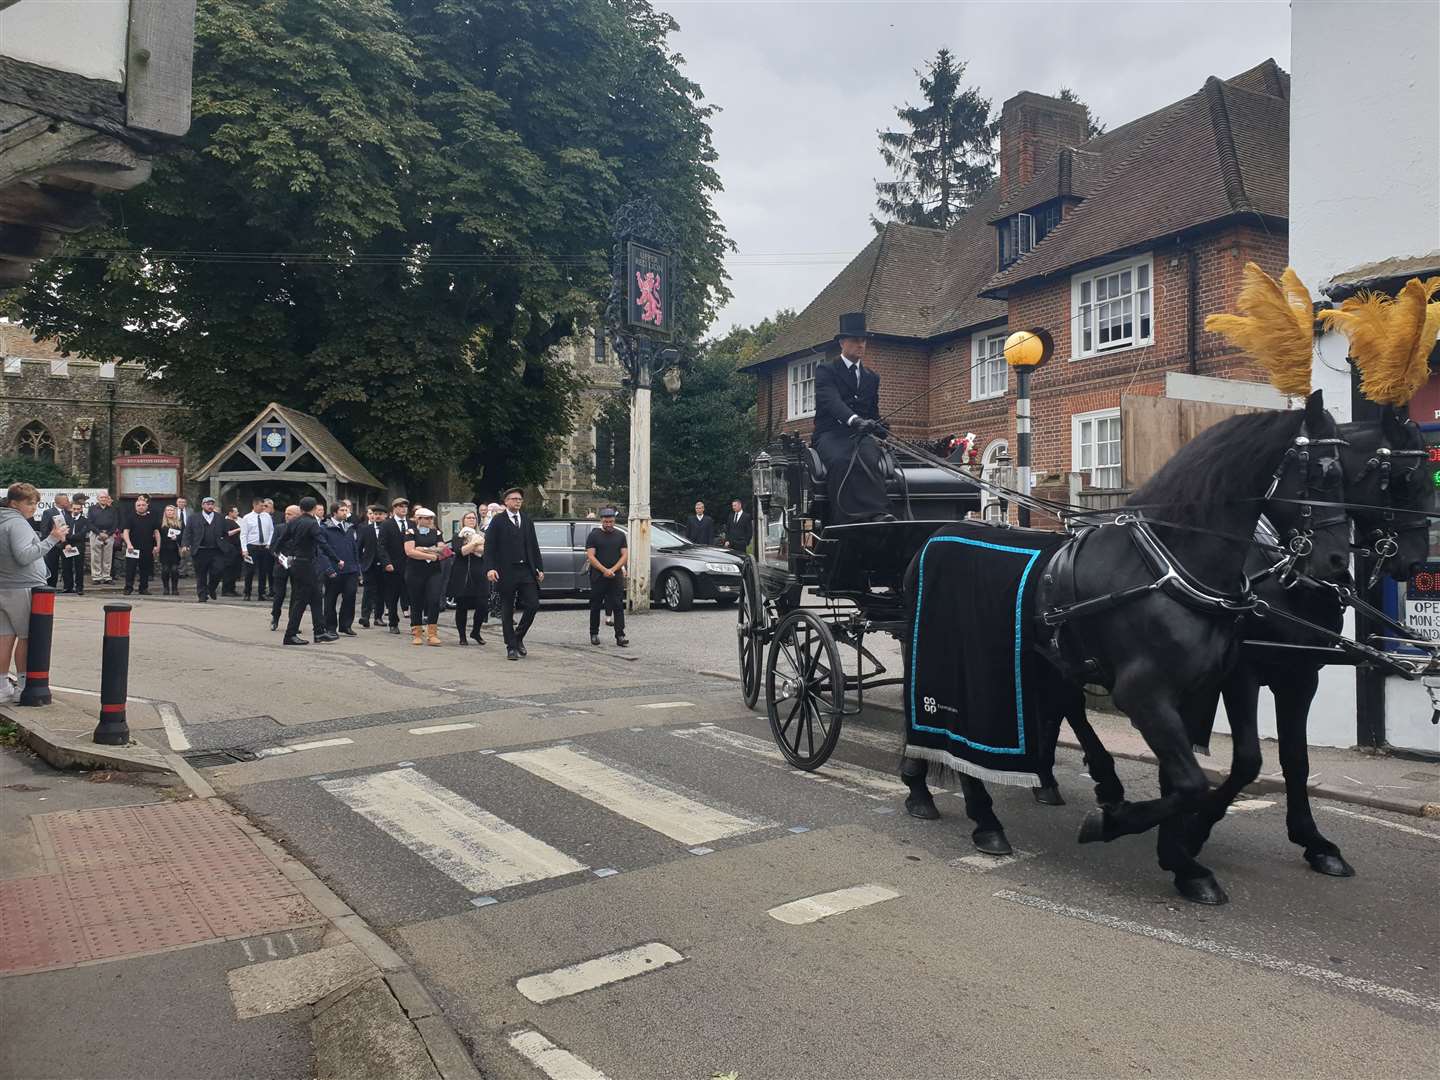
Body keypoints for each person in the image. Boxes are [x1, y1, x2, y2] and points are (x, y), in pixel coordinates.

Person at [811, 311, 892, 523]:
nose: (861, 345)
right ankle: (844, 519)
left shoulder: (872, 377)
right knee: (841, 460)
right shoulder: (826, 371)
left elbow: (873, 412)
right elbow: (832, 402)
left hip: (860, 436)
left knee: (871, 458)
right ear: (842, 343)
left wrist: (880, 427)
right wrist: (854, 420)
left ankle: (877, 514)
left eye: (863, 341)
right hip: (830, 434)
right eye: (856, 340)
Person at [0, 483, 69, 703]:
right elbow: (23, 556)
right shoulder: (17, 523)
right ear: (13, 503)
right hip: (22, 586)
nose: (33, 507)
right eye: (29, 503)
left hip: (5, 585)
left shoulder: (3, 520)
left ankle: (2, 686)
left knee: (4, 638)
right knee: (26, 637)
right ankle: (22, 686)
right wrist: (52, 539)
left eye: (36, 503)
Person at [483, 486, 543, 661]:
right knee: (507, 609)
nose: (517, 502)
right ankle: (511, 646)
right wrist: (490, 568)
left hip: (526, 570)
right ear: (506, 501)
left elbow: (533, 545)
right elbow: (490, 547)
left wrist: (539, 568)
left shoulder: (526, 520)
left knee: (533, 604)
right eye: (514, 499)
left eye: (519, 499)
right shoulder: (498, 521)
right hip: (506, 571)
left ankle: (518, 637)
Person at [276, 496, 340, 645]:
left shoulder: (294, 522)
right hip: (307, 565)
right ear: (313, 509)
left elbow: (281, 541)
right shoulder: (312, 523)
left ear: (301, 508)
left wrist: (279, 555)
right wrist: (336, 559)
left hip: (297, 563)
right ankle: (290, 635)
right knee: (301, 600)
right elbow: (322, 543)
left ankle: (319, 632)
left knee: (317, 597)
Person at [403, 507, 448, 646]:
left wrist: (423, 549)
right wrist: (431, 555)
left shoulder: (436, 532)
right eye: (426, 518)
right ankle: (416, 631)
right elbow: (410, 551)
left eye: (431, 518)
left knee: (434, 599)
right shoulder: (411, 532)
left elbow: (442, 549)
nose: (430, 521)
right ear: (418, 519)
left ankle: (432, 632)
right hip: (415, 571)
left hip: (433, 571)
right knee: (416, 600)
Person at [585, 508, 629, 648]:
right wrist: (604, 570)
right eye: (606, 521)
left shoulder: (620, 535)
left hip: (615, 575)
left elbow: (625, 555)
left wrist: (613, 570)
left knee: (618, 605)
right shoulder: (594, 535)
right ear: (601, 521)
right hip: (598, 575)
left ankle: (620, 635)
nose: (608, 524)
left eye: (610, 521)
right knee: (596, 605)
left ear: (614, 521)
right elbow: (591, 556)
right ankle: (594, 633)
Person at [319, 499, 361, 637]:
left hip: (351, 570)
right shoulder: (325, 528)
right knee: (330, 599)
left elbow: (354, 548)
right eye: (342, 510)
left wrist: (358, 569)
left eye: (346, 510)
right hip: (334, 570)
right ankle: (330, 627)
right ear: (334, 512)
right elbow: (321, 551)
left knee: (350, 597)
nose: (345, 512)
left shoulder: (350, 527)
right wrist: (328, 569)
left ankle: (345, 625)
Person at [447, 511, 488, 645]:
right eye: (468, 518)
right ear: (463, 520)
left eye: (473, 518)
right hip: (462, 573)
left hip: (479, 572)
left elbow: (485, 550)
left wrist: (473, 545)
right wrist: (475, 544)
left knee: (482, 605)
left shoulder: (481, 535)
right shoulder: (458, 536)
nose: (471, 520)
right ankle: (462, 636)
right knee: (462, 606)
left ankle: (476, 631)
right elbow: (461, 552)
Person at [181, 495, 229, 600]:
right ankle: (202, 595)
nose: (210, 506)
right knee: (201, 574)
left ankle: (211, 588)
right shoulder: (193, 518)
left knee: (218, 570)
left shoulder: (220, 517)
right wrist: (185, 544)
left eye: (212, 504)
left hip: (216, 550)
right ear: (203, 505)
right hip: (200, 550)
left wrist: (224, 543)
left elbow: (226, 533)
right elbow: (187, 532)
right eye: (208, 504)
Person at [378, 496, 413, 635]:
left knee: (412, 595)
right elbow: (381, 545)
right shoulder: (387, 524)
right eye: (400, 506)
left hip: (410, 566)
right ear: (394, 508)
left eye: (405, 506)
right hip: (393, 566)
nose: (404, 509)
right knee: (392, 596)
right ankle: (393, 622)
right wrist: (386, 562)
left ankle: (415, 623)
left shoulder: (412, 524)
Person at [268, 504, 302, 631]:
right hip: (281, 565)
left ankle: (293, 622)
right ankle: (275, 617)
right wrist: (281, 558)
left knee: (296, 595)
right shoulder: (279, 528)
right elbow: (272, 548)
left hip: (297, 565)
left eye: (290, 514)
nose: (286, 516)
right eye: (286, 513)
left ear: (298, 516)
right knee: (279, 594)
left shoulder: (302, 529)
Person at [121, 495, 161, 595]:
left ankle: (143, 588)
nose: (141, 507)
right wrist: (129, 544)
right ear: (135, 506)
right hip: (133, 548)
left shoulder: (152, 517)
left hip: (147, 547)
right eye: (138, 505)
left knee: (145, 569)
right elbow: (125, 532)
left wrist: (158, 546)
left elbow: (156, 532)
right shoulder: (130, 517)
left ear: (147, 506)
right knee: (130, 568)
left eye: (143, 505)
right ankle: (128, 588)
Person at [240, 497, 276, 601]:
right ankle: (247, 593)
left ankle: (262, 593)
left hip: (264, 547)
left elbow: (271, 531)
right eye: (262, 505)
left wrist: (269, 543)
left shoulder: (267, 516)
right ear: (255, 505)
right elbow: (243, 534)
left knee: (263, 571)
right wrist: (244, 549)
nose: (264, 507)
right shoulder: (247, 518)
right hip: (252, 546)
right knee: (249, 571)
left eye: (265, 505)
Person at [356, 505, 386, 628]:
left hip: (385, 565)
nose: (377, 516)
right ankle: (365, 616)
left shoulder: (388, 528)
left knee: (381, 591)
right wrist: (360, 565)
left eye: (380, 514)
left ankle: (378, 617)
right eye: (375, 513)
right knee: (368, 591)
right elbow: (358, 547)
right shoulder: (365, 529)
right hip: (369, 564)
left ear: (386, 515)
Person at [38, 494, 71, 588]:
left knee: (67, 565)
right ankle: (51, 586)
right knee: (52, 565)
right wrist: (49, 541)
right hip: (54, 544)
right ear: (60, 502)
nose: (68, 502)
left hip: (66, 543)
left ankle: (68, 587)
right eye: (66, 500)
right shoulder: (48, 512)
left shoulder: (68, 512)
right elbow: (44, 529)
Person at [60, 494, 90, 594]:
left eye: (78, 509)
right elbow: (62, 532)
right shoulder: (66, 519)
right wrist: (66, 543)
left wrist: (69, 537)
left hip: (78, 546)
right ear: (71, 508)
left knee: (79, 567)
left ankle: (79, 587)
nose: (76, 511)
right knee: (66, 567)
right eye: (74, 509)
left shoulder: (85, 521)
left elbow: (82, 534)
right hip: (66, 545)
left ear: (81, 510)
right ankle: (67, 587)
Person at [87, 490, 118, 585]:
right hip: (96, 534)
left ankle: (106, 577)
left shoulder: (112, 509)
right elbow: (89, 523)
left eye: (105, 497)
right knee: (96, 556)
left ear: (107, 498)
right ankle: (96, 577)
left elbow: (115, 522)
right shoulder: (92, 508)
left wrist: (108, 534)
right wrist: (99, 533)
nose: (103, 499)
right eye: (101, 497)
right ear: (98, 499)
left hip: (109, 534)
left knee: (107, 556)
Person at [157, 504, 184, 595]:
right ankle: (166, 588)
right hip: (164, 549)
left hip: (175, 549)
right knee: (165, 569)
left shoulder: (179, 523)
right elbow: (157, 535)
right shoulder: (161, 523)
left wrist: (177, 538)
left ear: (174, 512)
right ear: (165, 512)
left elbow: (184, 535)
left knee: (174, 570)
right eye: (168, 510)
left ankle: (175, 588)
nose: (170, 512)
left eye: (171, 510)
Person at [217, 507, 243, 595]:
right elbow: (227, 533)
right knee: (228, 569)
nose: (237, 513)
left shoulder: (238, 521)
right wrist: (238, 529)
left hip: (237, 548)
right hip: (229, 548)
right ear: (230, 513)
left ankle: (232, 588)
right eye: (236, 512)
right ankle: (226, 589)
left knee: (234, 570)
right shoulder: (226, 522)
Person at [174, 496, 193, 579]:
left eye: (183, 502)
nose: (181, 503)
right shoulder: (173, 511)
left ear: (185, 503)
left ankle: (183, 572)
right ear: (177, 503)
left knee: (185, 553)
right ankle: (176, 571)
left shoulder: (190, 511)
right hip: (175, 533)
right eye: (179, 502)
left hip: (186, 533)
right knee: (177, 553)